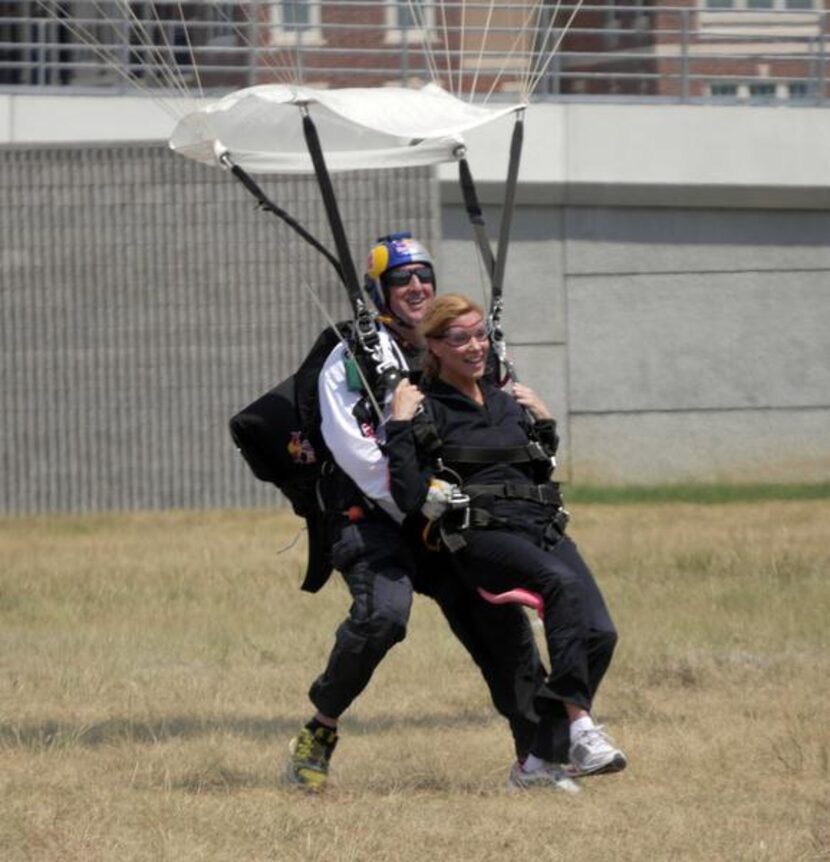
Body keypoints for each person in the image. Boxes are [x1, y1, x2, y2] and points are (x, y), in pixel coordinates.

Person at [286, 234, 578, 793]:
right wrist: (423, 498)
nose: (416, 286)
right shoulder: (352, 359)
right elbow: (360, 455)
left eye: (424, 275)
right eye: (401, 279)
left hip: (448, 522)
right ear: (380, 291)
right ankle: (320, 728)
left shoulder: (457, 353)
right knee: (383, 618)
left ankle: (537, 760)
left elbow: (498, 440)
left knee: (503, 628)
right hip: (375, 519)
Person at [385, 292, 628, 779]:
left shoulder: (509, 400)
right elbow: (410, 495)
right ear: (434, 346)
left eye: (479, 334)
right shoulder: (425, 407)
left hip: (540, 526)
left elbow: (538, 469)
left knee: (600, 633)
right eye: (460, 338)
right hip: (482, 535)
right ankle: (580, 729)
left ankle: (538, 759)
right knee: (561, 586)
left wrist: (546, 424)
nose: (474, 346)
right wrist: (397, 423)